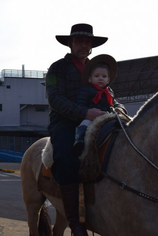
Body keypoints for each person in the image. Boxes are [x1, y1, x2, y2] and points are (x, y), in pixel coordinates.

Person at [46, 23, 108, 236]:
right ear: (70, 43)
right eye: (79, 41)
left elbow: (108, 93)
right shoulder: (57, 68)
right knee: (65, 159)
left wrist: (116, 109)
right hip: (64, 122)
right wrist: (84, 113)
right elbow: (54, 98)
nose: (84, 45)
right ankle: (75, 223)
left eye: (87, 41)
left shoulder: (97, 69)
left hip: (98, 119)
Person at [72, 54, 126, 155]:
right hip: (91, 116)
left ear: (108, 80)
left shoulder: (109, 91)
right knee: (85, 123)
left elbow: (112, 104)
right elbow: (81, 103)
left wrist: (117, 109)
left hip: (106, 115)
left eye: (104, 76)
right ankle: (79, 139)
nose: (100, 78)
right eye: (97, 76)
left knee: (122, 123)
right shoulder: (86, 90)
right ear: (90, 79)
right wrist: (87, 112)